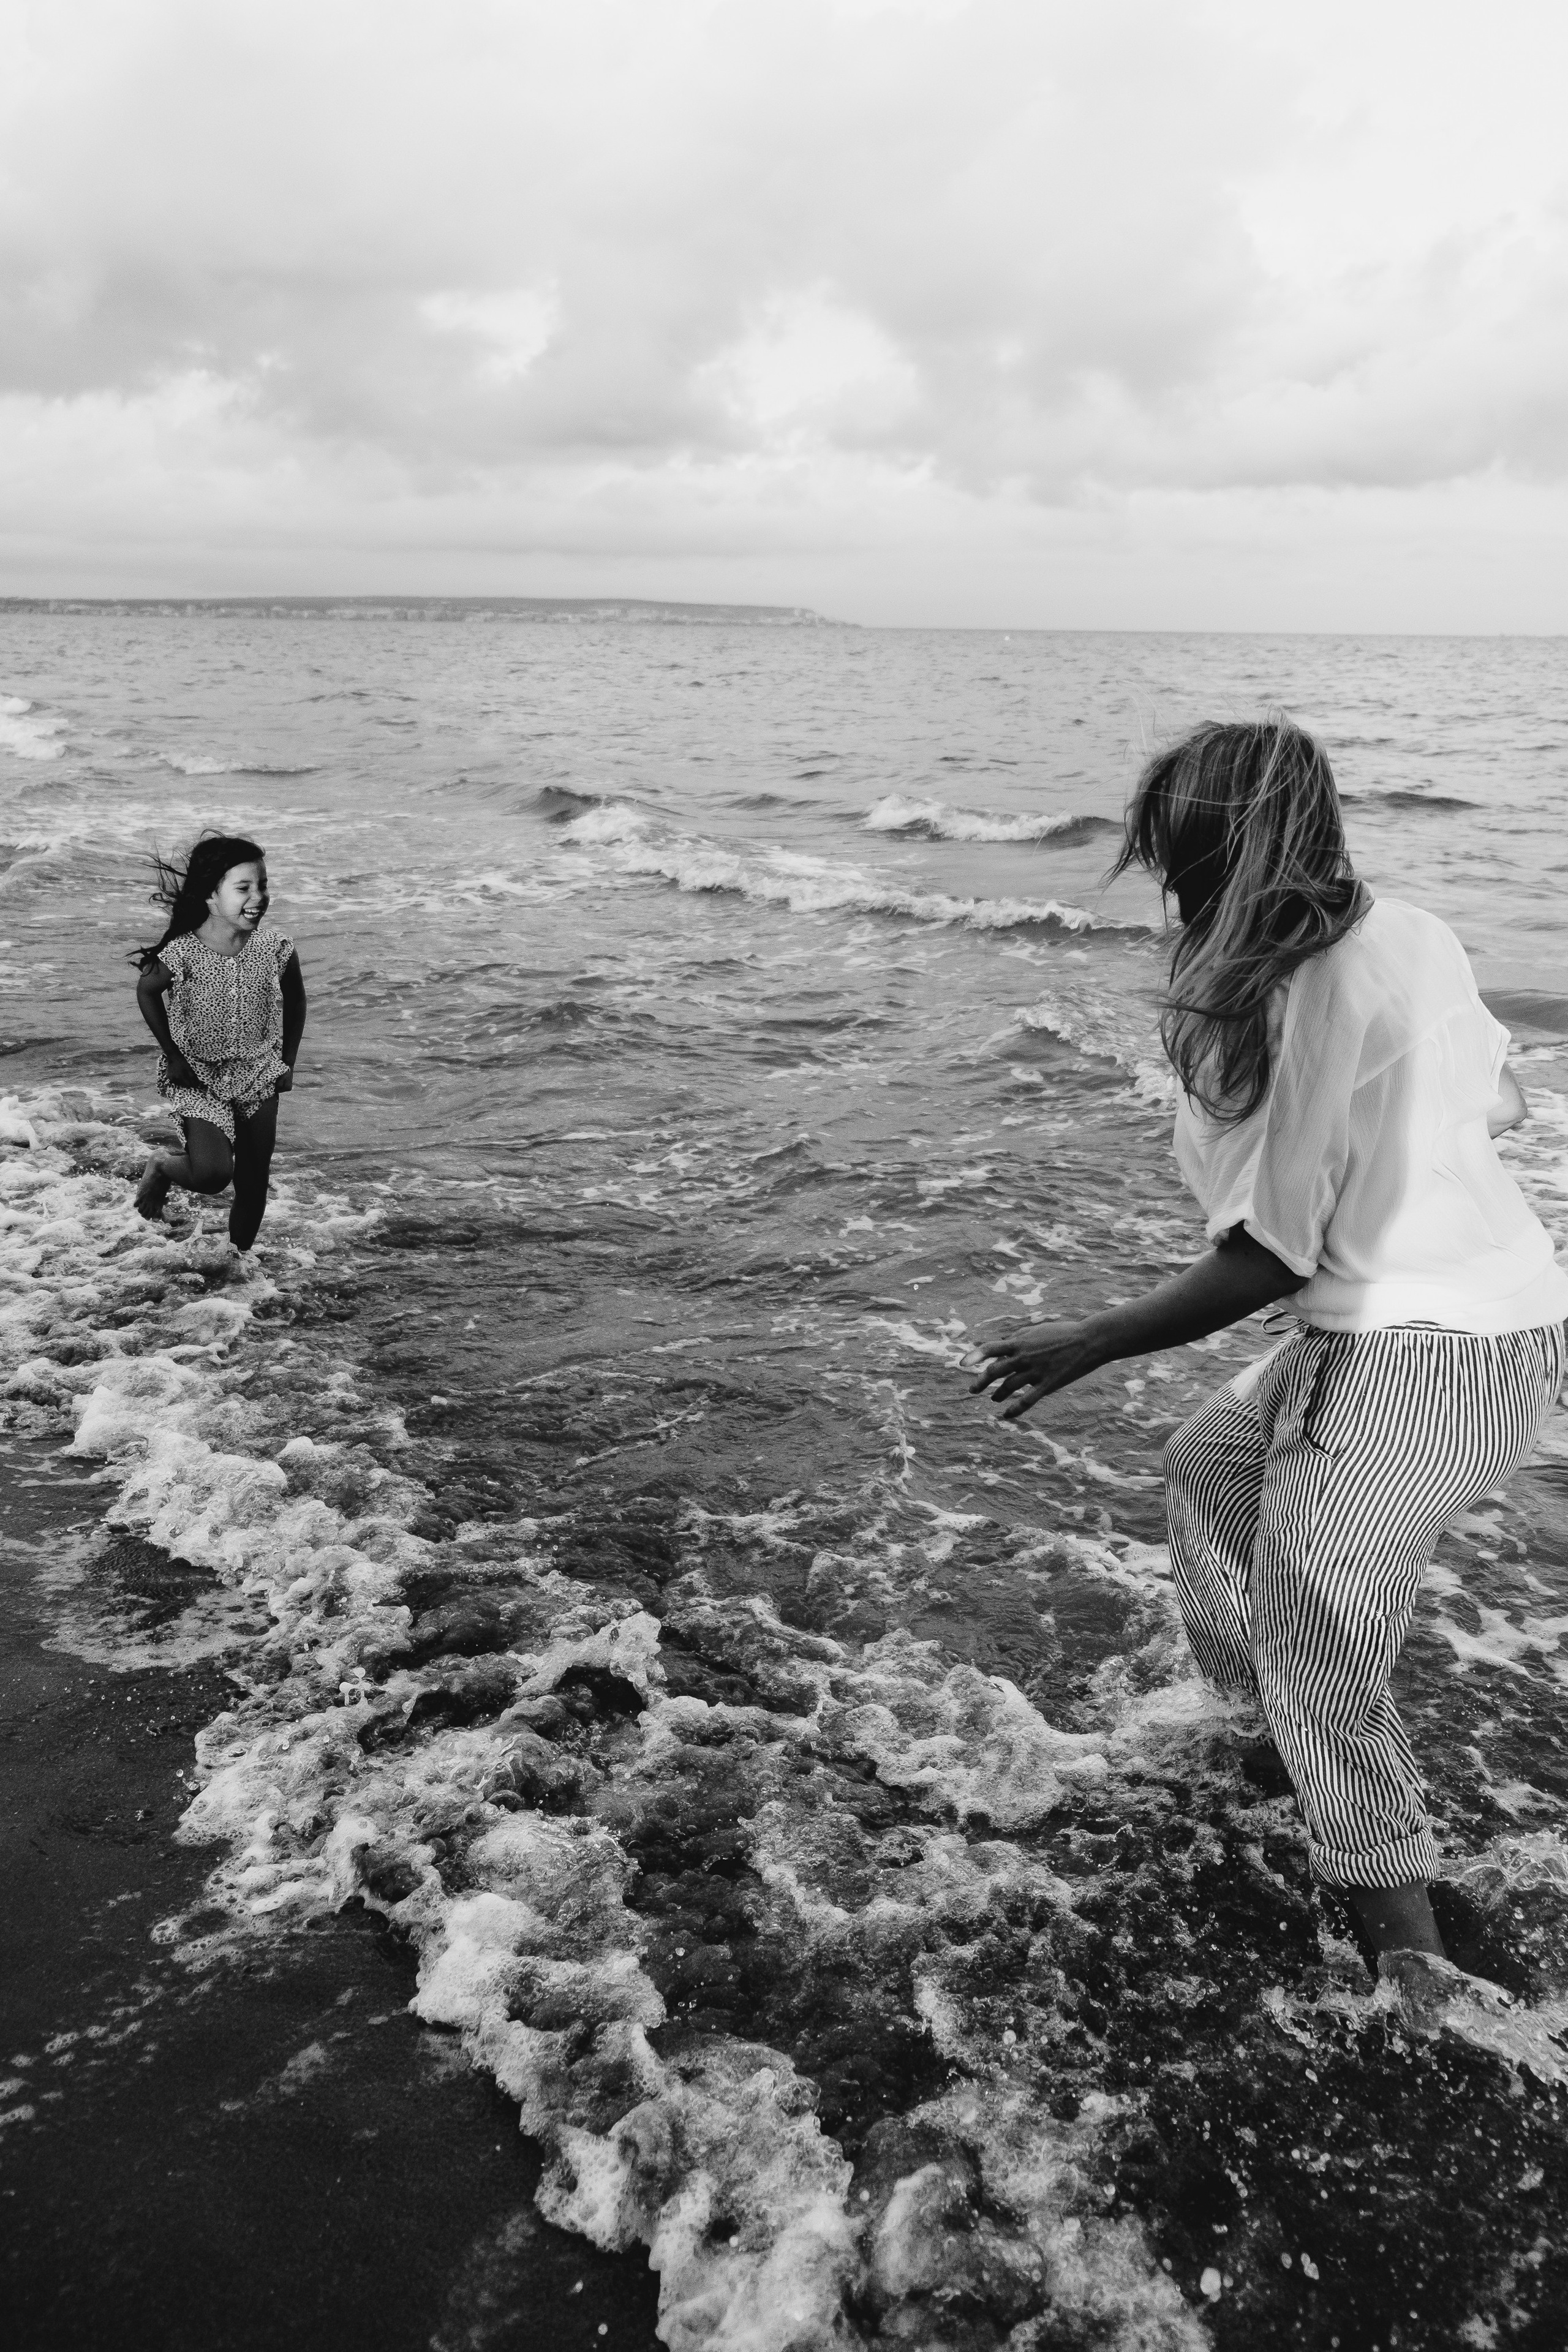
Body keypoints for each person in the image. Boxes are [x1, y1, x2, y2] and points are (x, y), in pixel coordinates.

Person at [970, 718, 1568, 1967]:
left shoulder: (1307, 993)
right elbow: (1502, 1100)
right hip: (1493, 1318)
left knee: (1315, 1617)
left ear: (1226, 855)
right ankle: (1275, 1734)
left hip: (1431, 1350)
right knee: (1210, 1467)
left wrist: (1090, 1341)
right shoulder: (1411, 931)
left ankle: (1403, 1943)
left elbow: (1270, 1258)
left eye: (1177, 858)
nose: (1164, 884)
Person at [131, 833, 307, 1251]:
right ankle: (163, 1165)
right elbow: (147, 991)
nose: (258, 897)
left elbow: (297, 999)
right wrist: (173, 1055)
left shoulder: (276, 947)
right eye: (244, 888)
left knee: (254, 1178)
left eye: (262, 885)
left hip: (259, 1073)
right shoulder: (183, 951)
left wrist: (287, 1062)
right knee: (212, 1176)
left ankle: (238, 1260)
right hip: (199, 1076)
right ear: (211, 894)